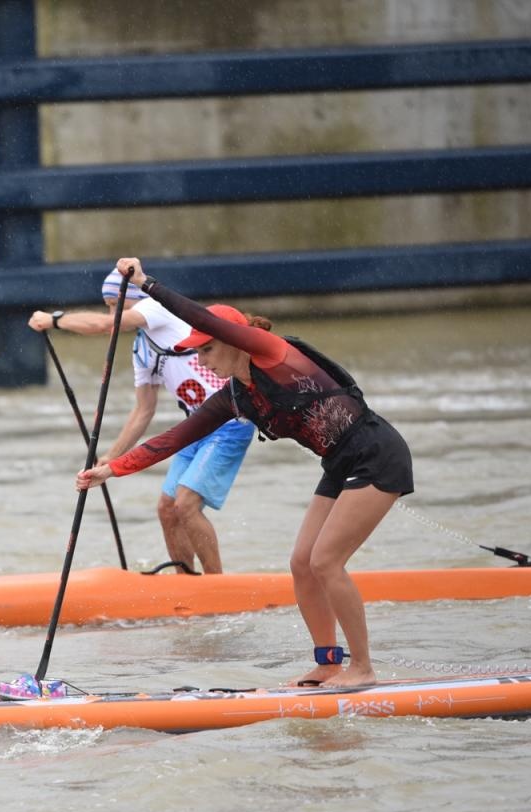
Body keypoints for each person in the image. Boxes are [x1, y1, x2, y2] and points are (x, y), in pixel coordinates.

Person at [76, 257, 414, 688]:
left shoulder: (271, 353)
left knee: (326, 561)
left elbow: (199, 316)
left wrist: (147, 284)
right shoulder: (235, 397)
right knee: (301, 564)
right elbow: (175, 437)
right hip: (339, 463)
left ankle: (362, 668)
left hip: (376, 452)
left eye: (207, 349)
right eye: (196, 352)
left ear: (232, 341)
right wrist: (111, 470)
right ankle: (328, 663)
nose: (202, 360)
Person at [28, 270, 256, 574]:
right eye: (108, 305)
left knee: (186, 504)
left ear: (136, 301)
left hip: (230, 422)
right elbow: (143, 411)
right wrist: (110, 458)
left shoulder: (156, 309)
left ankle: (217, 585)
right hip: (196, 426)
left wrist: (55, 320)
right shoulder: (142, 349)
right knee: (167, 509)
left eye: (117, 304)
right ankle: (185, 580)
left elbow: (104, 325)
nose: (114, 313)